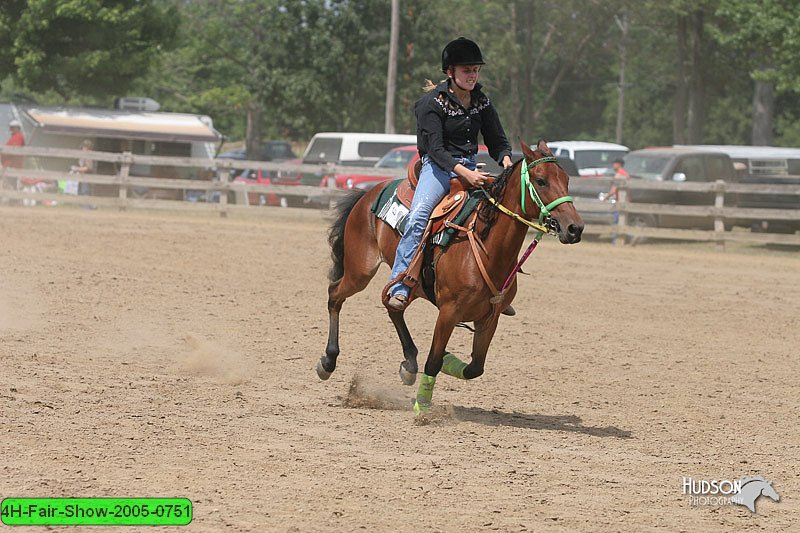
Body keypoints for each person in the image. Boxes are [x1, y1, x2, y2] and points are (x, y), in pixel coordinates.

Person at [387, 37, 513, 311]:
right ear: (450, 71)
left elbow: (497, 139)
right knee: (419, 216)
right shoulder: (430, 103)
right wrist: (464, 174)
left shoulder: (481, 102)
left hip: (471, 166)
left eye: (476, 70)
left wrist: (505, 161)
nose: (472, 75)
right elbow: (435, 148)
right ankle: (399, 283)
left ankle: (496, 286)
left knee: (501, 214)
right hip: (438, 169)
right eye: (467, 70)